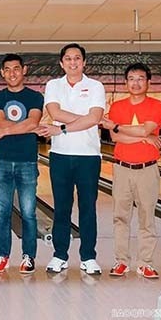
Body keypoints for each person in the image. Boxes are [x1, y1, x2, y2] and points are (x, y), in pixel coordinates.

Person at [36, 43, 105, 275]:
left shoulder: (96, 86)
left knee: (88, 208)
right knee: (62, 208)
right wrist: (87, 120)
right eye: (68, 59)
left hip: (89, 156)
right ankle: (59, 255)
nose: (73, 62)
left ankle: (88, 256)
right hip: (61, 156)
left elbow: (95, 116)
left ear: (84, 62)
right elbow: (55, 113)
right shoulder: (53, 85)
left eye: (77, 58)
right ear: (61, 63)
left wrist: (64, 128)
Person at [100, 63, 161, 279]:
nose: (135, 83)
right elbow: (116, 138)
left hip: (148, 170)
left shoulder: (157, 105)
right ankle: (121, 261)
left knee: (147, 218)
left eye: (140, 78)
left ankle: (145, 263)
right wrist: (144, 137)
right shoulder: (117, 107)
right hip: (122, 169)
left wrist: (120, 127)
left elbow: (144, 128)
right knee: (120, 217)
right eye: (131, 78)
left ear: (148, 82)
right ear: (126, 82)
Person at [0, 54, 44, 274]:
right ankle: (3, 255)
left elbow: (33, 122)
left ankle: (28, 256)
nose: (12, 73)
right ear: (2, 73)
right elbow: (0, 120)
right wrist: (13, 128)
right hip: (2, 161)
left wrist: (5, 132)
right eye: (7, 69)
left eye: (16, 69)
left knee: (29, 213)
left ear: (24, 70)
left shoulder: (35, 97)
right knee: (3, 213)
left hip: (27, 161)